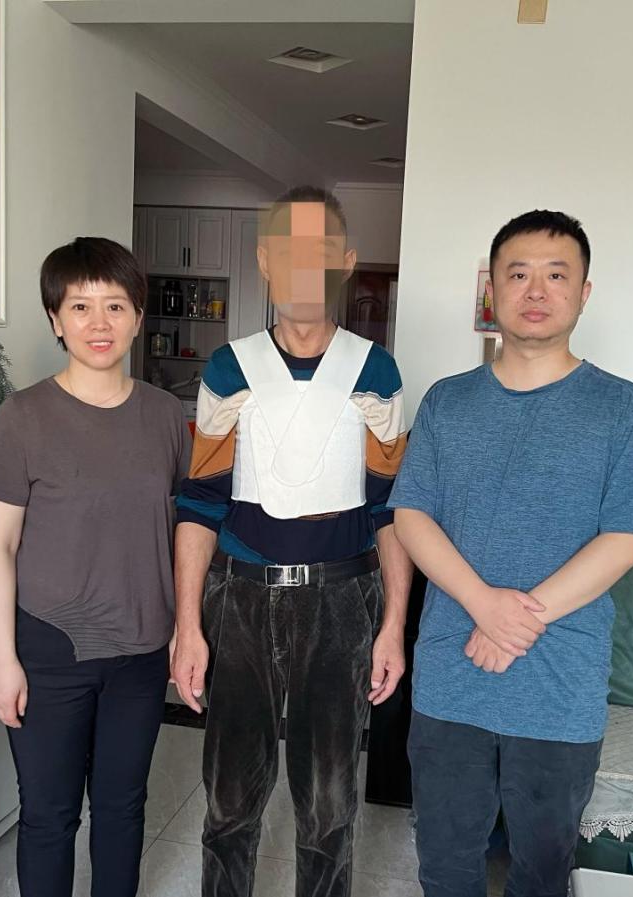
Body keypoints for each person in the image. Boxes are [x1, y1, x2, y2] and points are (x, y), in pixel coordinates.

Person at [390, 210, 633, 897]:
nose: (536, 290)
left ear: (583, 292)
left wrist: (516, 620)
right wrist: (483, 606)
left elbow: (628, 537)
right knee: (444, 865)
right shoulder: (448, 401)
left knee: (542, 873)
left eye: (556, 275)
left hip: (560, 687)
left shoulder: (620, 407)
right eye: (518, 274)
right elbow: (410, 515)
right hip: (451, 678)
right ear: (492, 290)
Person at [170, 186, 413, 897]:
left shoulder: (375, 371)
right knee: (229, 802)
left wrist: (393, 626)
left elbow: (390, 509)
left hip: (341, 599)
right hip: (241, 598)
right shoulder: (229, 368)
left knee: (329, 806)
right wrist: (188, 624)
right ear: (265, 261)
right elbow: (199, 503)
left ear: (346, 261)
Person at [0, 237, 191, 897]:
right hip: (49, 649)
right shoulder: (23, 417)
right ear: (55, 319)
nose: (100, 323)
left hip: (141, 650)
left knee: (124, 808)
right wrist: (1, 657)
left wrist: (185, 630)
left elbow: (183, 529)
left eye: (115, 306)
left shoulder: (166, 415)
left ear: (138, 316)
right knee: (49, 814)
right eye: (80, 306)